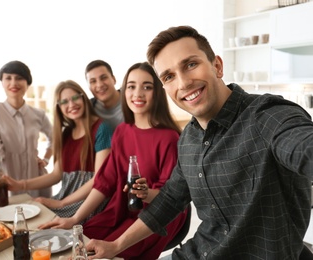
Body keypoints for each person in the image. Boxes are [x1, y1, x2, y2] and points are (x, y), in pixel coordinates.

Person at [84, 25, 313, 260]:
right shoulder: (189, 139)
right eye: (169, 76)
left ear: (217, 66)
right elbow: (170, 200)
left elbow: (303, 146)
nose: (183, 83)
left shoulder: (267, 116)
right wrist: (115, 246)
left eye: (191, 64)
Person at [39, 62, 189, 260]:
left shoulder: (169, 138)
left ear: (158, 93)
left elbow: (169, 198)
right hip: (122, 208)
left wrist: (145, 193)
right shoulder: (122, 132)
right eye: (131, 86)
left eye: (147, 86)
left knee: (104, 254)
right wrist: (75, 218)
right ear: (124, 90)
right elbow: (105, 181)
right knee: (82, 240)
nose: (138, 93)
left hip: (157, 215)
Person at [4, 80, 113, 218]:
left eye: (75, 98)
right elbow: (56, 175)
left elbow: (99, 178)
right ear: (59, 107)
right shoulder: (65, 134)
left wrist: (62, 203)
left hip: (89, 202)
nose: (72, 105)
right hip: (65, 197)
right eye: (64, 102)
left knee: (43, 225)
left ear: (83, 97)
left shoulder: (102, 128)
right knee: (23, 218)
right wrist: (20, 185)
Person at [0, 60, 53, 198]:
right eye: (8, 78)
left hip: (35, 180)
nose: (13, 83)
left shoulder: (38, 114)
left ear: (28, 83)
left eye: (19, 78)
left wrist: (46, 159)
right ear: (2, 82)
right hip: (6, 180)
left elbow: (54, 138)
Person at [85, 60, 124, 130]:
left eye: (103, 78)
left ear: (113, 79)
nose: (99, 85)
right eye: (93, 81)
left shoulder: (132, 100)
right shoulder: (88, 109)